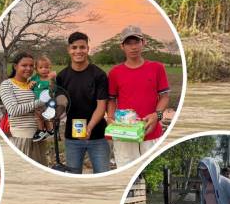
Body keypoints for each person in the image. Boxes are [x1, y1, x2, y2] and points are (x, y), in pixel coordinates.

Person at [107, 26, 170, 168]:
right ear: (122, 46)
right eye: (129, 43)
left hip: (151, 129)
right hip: (125, 130)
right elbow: (111, 99)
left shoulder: (157, 68)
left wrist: (157, 115)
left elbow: (164, 96)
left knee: (151, 169)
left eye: (136, 42)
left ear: (144, 42)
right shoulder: (115, 72)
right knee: (126, 169)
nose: (133, 47)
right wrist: (110, 119)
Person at [56, 32, 110, 174]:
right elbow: (61, 106)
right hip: (72, 138)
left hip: (97, 135)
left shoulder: (99, 75)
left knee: (103, 176)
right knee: (73, 178)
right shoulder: (61, 76)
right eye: (74, 47)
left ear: (88, 49)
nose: (78, 51)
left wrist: (90, 127)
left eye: (82, 47)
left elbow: (102, 106)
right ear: (69, 50)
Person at [0, 52, 48, 165]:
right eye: (24, 65)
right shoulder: (7, 85)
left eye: (31, 66)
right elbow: (13, 110)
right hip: (21, 138)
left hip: (39, 137)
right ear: (15, 66)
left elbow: (43, 108)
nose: (28, 68)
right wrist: (40, 101)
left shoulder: (34, 84)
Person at [31, 54, 57, 142]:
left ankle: (50, 130)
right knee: (38, 117)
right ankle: (41, 130)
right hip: (37, 103)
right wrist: (30, 84)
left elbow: (54, 89)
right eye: (41, 67)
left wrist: (52, 80)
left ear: (50, 68)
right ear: (36, 69)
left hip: (47, 103)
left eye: (46, 67)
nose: (44, 69)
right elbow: (30, 85)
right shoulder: (35, 78)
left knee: (47, 117)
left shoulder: (50, 79)